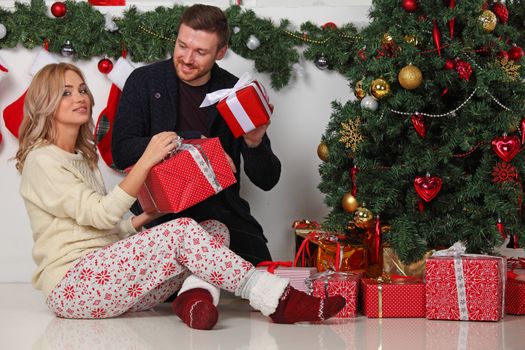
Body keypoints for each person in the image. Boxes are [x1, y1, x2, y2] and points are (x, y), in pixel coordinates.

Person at [15, 63, 345, 330]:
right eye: (66, 93)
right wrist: (147, 158)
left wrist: (147, 217)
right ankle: (278, 299)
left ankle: (193, 299)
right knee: (185, 229)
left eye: (83, 89)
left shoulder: (80, 156)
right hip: (74, 287)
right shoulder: (42, 160)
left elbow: (103, 229)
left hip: (107, 279)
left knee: (214, 230)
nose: (81, 97)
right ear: (45, 104)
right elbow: (100, 215)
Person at [111, 4, 279, 267]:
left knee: (265, 281)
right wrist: (194, 143)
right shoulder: (144, 81)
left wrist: (254, 143)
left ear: (220, 53)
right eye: (182, 46)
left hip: (222, 209)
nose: (187, 58)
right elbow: (121, 152)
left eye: (200, 52)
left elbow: (268, 180)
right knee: (171, 292)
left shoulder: (235, 91)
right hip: (161, 210)